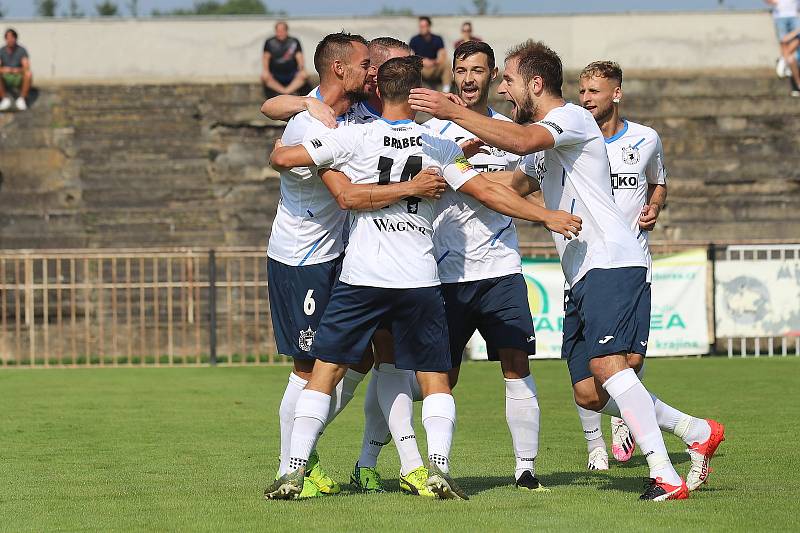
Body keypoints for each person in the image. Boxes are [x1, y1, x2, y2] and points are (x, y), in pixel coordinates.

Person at [409, 39, 718, 501]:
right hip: (580, 273)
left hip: (611, 259)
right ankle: (695, 430)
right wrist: (448, 169)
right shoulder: (541, 139)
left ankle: (665, 476)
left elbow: (517, 141)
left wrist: (451, 113)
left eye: (507, 80)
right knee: (588, 393)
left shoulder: (570, 118)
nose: (502, 90)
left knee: (608, 365)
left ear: (535, 84)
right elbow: (504, 185)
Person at [264, 55, 582, 501]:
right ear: (416, 94)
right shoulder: (437, 146)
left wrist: (323, 152)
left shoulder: (353, 137)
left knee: (326, 369)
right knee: (435, 376)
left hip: (362, 277)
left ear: (381, 91)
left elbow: (281, 157)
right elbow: (488, 190)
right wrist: (545, 215)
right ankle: (437, 469)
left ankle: (293, 471)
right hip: (418, 278)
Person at [263, 32, 446, 501]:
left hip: (345, 254)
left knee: (374, 355)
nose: (372, 72)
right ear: (344, 68)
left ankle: (394, 463)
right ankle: (293, 466)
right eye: (368, 63)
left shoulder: (358, 116)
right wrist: (305, 106)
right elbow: (277, 133)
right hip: (302, 254)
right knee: (311, 368)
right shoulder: (314, 120)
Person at [366, 39, 547, 493]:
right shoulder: (431, 135)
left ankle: (525, 469)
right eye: (462, 70)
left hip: (501, 266)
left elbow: (525, 185)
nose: (469, 79)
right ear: (453, 75)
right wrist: (455, 169)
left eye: (479, 70)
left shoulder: (510, 133)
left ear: (492, 77)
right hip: (444, 271)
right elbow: (413, 187)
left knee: (516, 363)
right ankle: (432, 464)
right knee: (439, 375)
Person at [574, 60, 725, 489]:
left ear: (616, 94)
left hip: (630, 263)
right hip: (585, 266)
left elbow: (659, 183)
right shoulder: (573, 142)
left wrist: (655, 206)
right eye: (582, 91)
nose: (586, 99)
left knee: (629, 363)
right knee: (591, 389)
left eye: (595, 91)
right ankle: (675, 425)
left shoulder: (646, 139)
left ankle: (645, 433)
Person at [261, 21, 309, 98]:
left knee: (304, 75)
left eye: (282, 30)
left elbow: (299, 57)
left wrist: (301, 69)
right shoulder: (269, 42)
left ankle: (286, 91)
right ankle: (283, 91)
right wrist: (266, 71)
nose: (280, 33)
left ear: (286, 30)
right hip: (276, 74)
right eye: (278, 30)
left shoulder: (294, 42)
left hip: (292, 73)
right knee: (264, 76)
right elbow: (265, 58)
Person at [409, 16, 452, 92]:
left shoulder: (437, 39)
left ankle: (446, 90)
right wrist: (422, 61)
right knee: (410, 66)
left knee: (447, 62)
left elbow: (442, 55)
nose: (422, 28)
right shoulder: (414, 40)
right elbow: (410, 56)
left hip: (434, 67)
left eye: (424, 26)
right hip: (421, 68)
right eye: (420, 26)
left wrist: (433, 62)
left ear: (429, 26)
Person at [766, 0, 800, 94]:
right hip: (780, 15)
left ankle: (783, 60)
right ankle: (784, 61)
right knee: (787, 51)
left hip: (794, 14)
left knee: (793, 43)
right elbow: (784, 40)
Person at [0, 28, 32, 111]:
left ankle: (22, 99)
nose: (10, 40)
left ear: (16, 38)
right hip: (5, 77)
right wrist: (5, 69)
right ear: (5, 39)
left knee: (28, 74)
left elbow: (26, 67)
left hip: (18, 76)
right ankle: (4, 99)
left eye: (12, 37)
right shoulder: (1, 51)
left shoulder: (22, 50)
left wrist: (18, 70)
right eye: (8, 38)